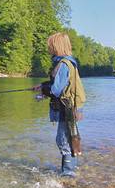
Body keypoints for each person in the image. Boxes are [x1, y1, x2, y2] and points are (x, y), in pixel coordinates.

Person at [34, 32, 87, 177]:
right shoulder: (66, 62)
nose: (48, 48)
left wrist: (45, 91)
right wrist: (43, 86)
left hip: (68, 107)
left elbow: (56, 90)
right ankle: (69, 171)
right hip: (71, 106)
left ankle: (68, 174)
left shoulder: (63, 64)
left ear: (56, 46)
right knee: (69, 138)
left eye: (50, 45)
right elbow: (59, 86)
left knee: (63, 140)